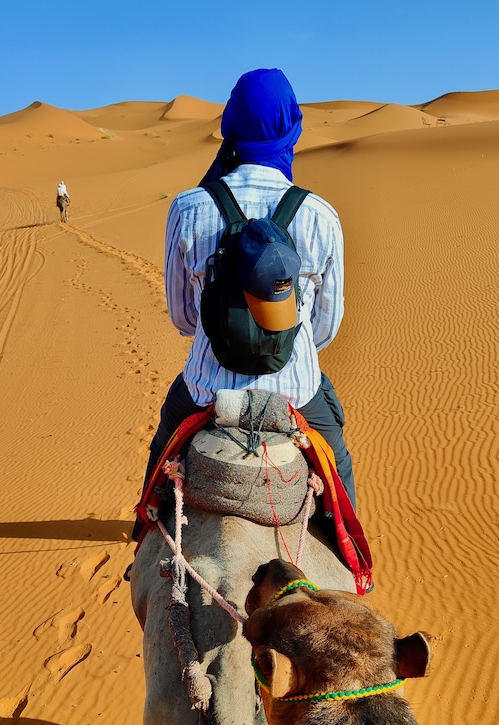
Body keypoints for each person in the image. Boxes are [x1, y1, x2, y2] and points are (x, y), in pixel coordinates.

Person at [140, 67, 356, 522]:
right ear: (291, 128)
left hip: (205, 389)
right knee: (339, 463)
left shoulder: (189, 207)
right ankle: (353, 556)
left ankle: (146, 524)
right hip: (296, 391)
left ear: (230, 127)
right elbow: (323, 329)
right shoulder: (320, 215)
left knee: (163, 448)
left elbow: (183, 318)